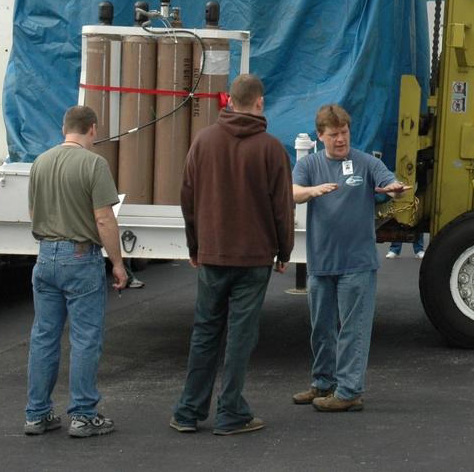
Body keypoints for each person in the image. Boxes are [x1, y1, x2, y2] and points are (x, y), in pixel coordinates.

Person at [171, 74, 298, 437]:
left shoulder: (203, 141)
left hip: (213, 253)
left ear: (228, 101)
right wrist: (284, 250)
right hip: (254, 257)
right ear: (259, 102)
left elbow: (187, 197)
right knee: (241, 336)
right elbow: (282, 207)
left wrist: (195, 246)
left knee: (205, 332)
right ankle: (230, 412)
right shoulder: (272, 149)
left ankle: (188, 411)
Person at [291, 104, 407, 412]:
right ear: (320, 136)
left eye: (344, 132)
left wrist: (395, 190)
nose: (341, 139)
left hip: (357, 262)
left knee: (353, 329)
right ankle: (323, 383)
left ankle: (349, 391)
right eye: (333, 135)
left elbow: (391, 185)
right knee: (321, 329)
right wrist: (313, 191)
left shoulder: (366, 162)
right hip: (321, 262)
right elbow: (292, 192)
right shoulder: (310, 164)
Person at [24, 105, 127, 438]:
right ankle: (83, 415)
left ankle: (37, 414)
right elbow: (104, 219)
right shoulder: (94, 164)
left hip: (45, 257)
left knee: (44, 336)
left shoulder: (40, 163)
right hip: (81, 258)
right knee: (84, 338)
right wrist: (118, 263)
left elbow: (33, 211)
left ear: (63, 128)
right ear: (93, 129)